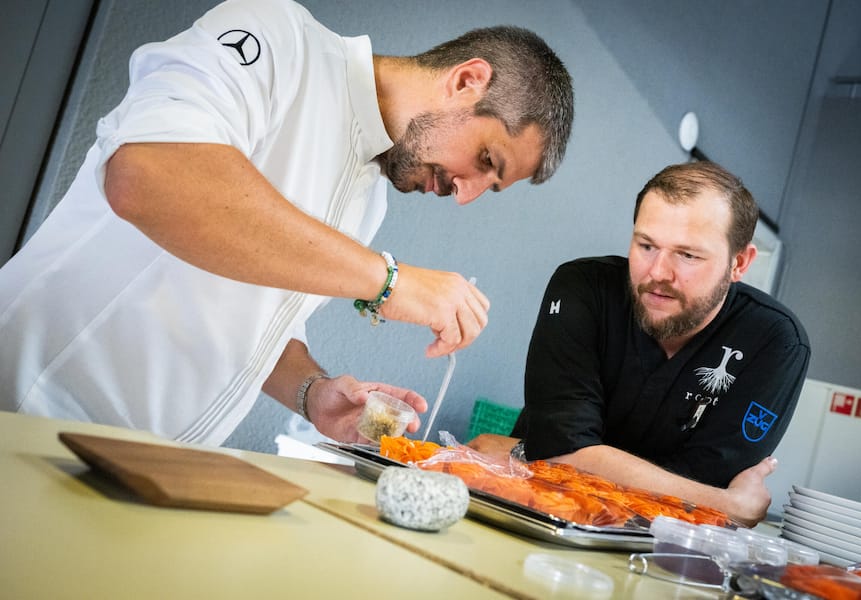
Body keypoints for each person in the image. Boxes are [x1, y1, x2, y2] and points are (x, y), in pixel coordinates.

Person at [0, 0, 574, 447]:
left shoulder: (368, 198)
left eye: (488, 188)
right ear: (467, 80)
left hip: (143, 461)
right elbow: (148, 173)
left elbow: (254, 327)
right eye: (485, 162)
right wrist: (391, 281)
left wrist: (312, 393)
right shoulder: (279, 40)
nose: (465, 195)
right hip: (30, 417)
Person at [469, 161, 809, 527]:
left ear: (739, 263)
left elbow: (703, 486)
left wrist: (537, 456)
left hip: (659, 553)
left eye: (688, 255)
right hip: (533, 515)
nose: (658, 273)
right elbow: (563, 449)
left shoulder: (776, 342)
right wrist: (728, 504)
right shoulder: (584, 289)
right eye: (646, 245)